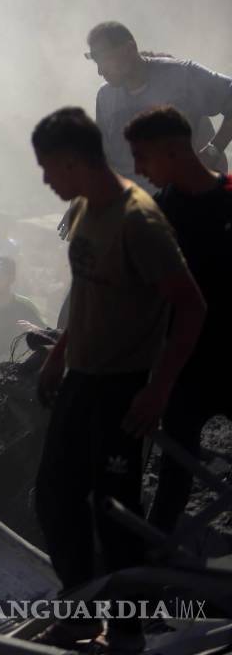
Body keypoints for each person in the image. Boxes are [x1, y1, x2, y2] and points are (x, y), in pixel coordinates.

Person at [30, 107, 205, 651]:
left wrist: (158, 389)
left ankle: (126, 630)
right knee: (54, 497)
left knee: (115, 511)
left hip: (123, 385)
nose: (45, 180)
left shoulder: (140, 221)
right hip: (82, 376)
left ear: (73, 162)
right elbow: (85, 292)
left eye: (48, 169)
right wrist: (58, 355)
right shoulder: (86, 208)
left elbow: (191, 308)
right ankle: (82, 608)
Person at [122, 107, 232, 534]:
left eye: (142, 156)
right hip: (185, 368)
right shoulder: (155, 216)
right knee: (173, 480)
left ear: (173, 151)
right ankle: (153, 572)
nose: (137, 169)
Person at [86, 21, 232, 180]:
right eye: (96, 62)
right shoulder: (105, 98)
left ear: (129, 49)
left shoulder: (181, 76)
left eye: (105, 60)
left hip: (184, 198)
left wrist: (213, 151)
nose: (100, 71)